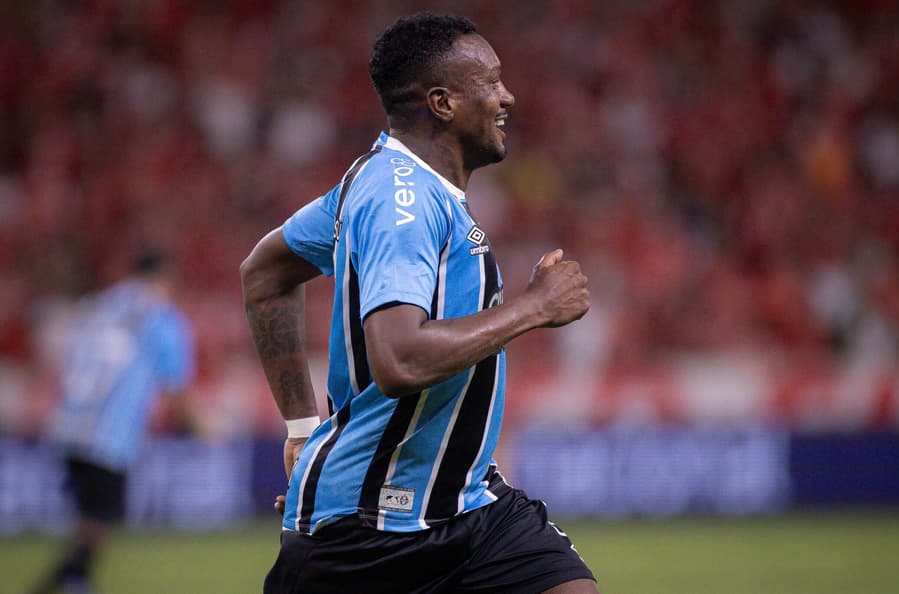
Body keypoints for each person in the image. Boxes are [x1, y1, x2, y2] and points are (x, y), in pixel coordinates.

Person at [241, 12, 597, 594]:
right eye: (491, 82)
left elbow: (265, 272)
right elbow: (399, 359)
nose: (507, 96)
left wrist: (303, 431)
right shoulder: (398, 199)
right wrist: (535, 307)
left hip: (469, 504)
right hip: (366, 530)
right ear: (443, 103)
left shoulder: (389, 183)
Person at [29, 251, 196, 594]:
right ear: (165, 277)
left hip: (68, 424)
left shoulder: (98, 306)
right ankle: (72, 579)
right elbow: (175, 389)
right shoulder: (162, 317)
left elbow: (64, 362)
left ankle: (68, 578)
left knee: (89, 515)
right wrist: (199, 428)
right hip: (110, 434)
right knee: (100, 516)